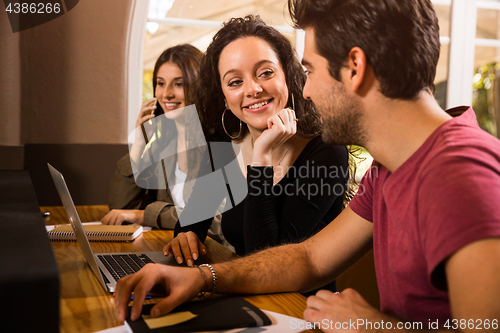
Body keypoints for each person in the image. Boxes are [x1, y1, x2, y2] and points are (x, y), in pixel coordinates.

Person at [115, 0, 500, 330]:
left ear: (355, 68)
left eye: (310, 70)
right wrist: (202, 277)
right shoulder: (389, 168)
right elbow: (310, 258)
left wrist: (375, 328)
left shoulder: (460, 175)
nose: (307, 89)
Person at [163, 16, 351, 274]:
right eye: (235, 82)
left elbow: (266, 261)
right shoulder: (223, 143)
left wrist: (261, 157)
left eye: (266, 72)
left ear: (287, 75)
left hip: (299, 307)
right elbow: (192, 221)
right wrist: (187, 235)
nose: (253, 89)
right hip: (239, 294)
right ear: (224, 97)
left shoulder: (325, 152)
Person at [103, 44, 226, 246]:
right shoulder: (163, 144)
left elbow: (216, 222)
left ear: (201, 87)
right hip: (174, 248)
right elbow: (121, 207)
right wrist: (138, 145)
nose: (166, 94)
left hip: (216, 255)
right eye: (161, 83)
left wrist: (145, 215)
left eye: (178, 84)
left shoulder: (219, 143)